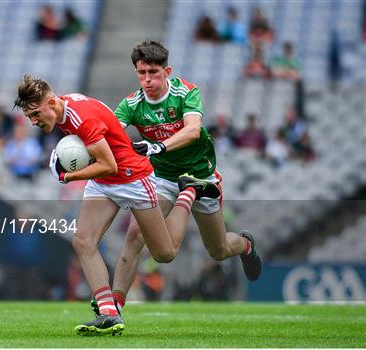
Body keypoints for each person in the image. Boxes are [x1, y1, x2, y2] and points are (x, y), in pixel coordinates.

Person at [14, 74, 220, 336]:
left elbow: (109, 163)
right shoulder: (64, 107)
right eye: (29, 116)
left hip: (132, 177)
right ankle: (108, 313)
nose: (33, 121)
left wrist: (68, 176)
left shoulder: (80, 117)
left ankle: (190, 191)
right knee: (82, 240)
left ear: (52, 103)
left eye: (35, 113)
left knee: (164, 253)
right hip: (104, 180)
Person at [89, 40, 262, 318]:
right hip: (164, 178)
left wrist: (159, 146)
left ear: (166, 71)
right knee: (135, 234)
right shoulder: (131, 105)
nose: (147, 79)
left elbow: (193, 130)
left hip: (201, 175)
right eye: (141, 73)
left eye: (153, 72)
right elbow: (107, 134)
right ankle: (114, 309)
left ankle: (245, 244)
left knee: (218, 250)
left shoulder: (185, 93)